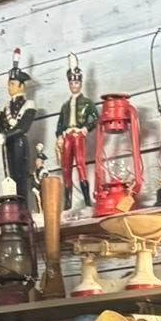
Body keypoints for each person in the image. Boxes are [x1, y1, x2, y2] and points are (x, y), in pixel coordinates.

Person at [0, 48, 37, 209]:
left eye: (12, 83)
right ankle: (13, 208)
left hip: (18, 143)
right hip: (7, 145)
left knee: (20, 177)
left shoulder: (28, 105)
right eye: (9, 83)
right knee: (9, 176)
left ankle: (23, 209)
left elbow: (23, 127)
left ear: (20, 85)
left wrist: (5, 135)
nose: (9, 87)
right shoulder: (6, 107)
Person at [56, 52, 96, 210]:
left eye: (76, 82)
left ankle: (86, 199)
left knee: (80, 164)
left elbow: (95, 117)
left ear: (80, 83)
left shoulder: (87, 103)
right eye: (72, 83)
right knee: (65, 167)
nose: (74, 85)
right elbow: (60, 124)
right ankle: (68, 200)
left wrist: (86, 128)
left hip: (78, 135)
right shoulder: (65, 106)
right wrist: (59, 135)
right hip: (67, 136)